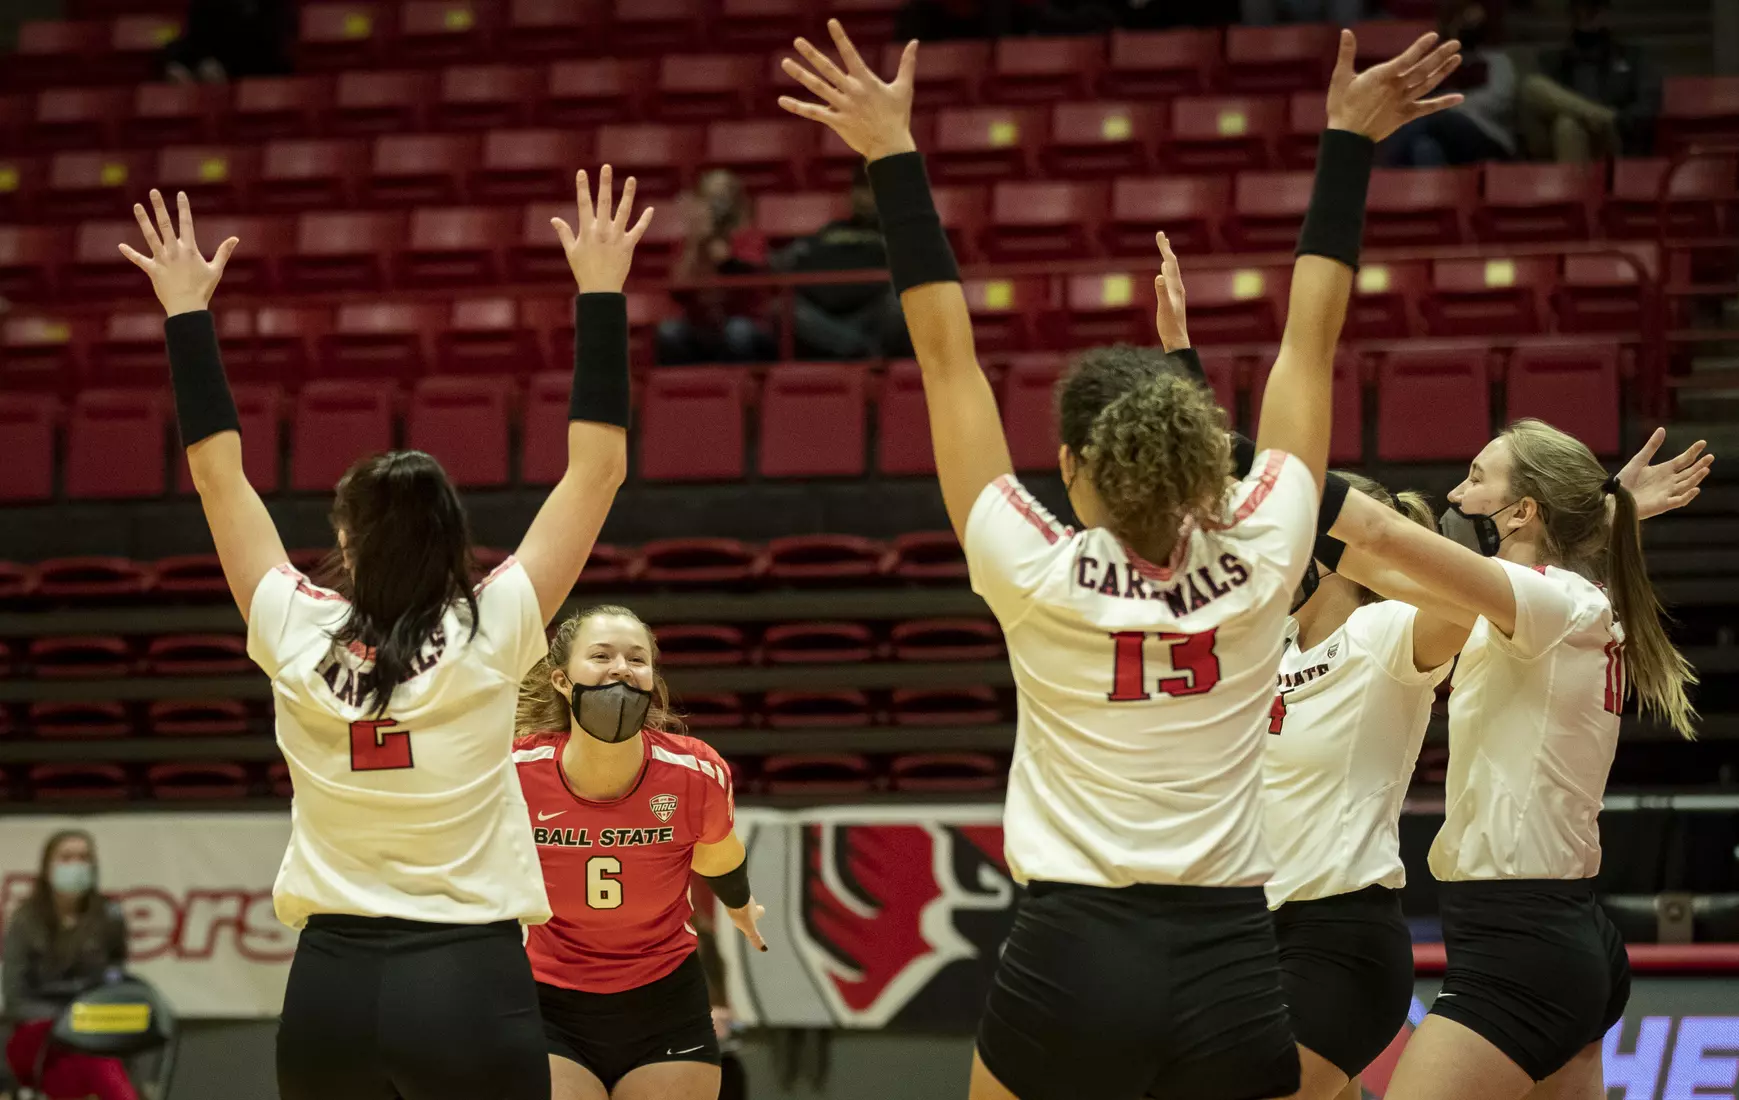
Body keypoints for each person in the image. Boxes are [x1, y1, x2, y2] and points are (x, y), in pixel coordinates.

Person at [777, 19, 1462, 1100]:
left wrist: (889, 157)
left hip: (1071, 949)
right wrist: (1346, 141)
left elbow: (946, 361)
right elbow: (1307, 343)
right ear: (1203, 465)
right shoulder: (1265, 551)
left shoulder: (1030, 563)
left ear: (1067, 468)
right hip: (1231, 954)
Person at [115, 166, 652, 1100]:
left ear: (345, 544)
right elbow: (598, 470)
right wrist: (600, 293)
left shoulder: (290, 620)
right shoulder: (497, 623)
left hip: (329, 987)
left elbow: (216, 477)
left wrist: (186, 313)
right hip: (467, 986)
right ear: (456, 540)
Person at [1325, 419, 1708, 1100]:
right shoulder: (1569, 596)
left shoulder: (1546, 601)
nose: (1454, 492)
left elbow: (1379, 540)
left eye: (1475, 479)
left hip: (1520, 949)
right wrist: (1614, 507)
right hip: (1556, 933)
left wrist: (1264, 478)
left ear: (1523, 510)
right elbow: (1377, 566)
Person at [512, 604, 766, 1100]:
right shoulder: (516, 770)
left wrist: (740, 906)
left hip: (665, 1005)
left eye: (637, 659)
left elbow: (719, 857)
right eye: (602, 655)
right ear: (562, 680)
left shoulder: (695, 773)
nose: (621, 669)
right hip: (546, 1003)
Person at [2, 831, 134, 1100]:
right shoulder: (26, 920)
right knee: (91, 1054)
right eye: (67, 857)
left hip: (91, 1026)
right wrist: (65, 1019)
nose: (76, 864)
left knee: (83, 1062)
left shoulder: (109, 916)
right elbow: (15, 998)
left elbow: (117, 976)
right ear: (48, 867)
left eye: (84, 858)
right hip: (36, 1031)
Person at [770, 165, 911, 360]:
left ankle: (858, 351)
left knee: (901, 301)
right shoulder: (829, 231)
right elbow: (782, 261)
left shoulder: (900, 235)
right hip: (824, 318)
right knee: (782, 308)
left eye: (872, 189)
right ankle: (860, 350)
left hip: (871, 316)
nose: (863, 197)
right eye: (859, 188)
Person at [658, 170, 777, 366]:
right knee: (668, 332)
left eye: (723, 196)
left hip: (743, 320)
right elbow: (677, 290)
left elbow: (749, 278)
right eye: (710, 197)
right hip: (700, 324)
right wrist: (695, 244)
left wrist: (725, 256)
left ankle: (741, 392)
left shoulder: (751, 237)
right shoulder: (688, 242)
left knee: (737, 333)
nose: (717, 204)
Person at [1520, 0, 1661, 162]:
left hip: (1613, 138)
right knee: (1532, 86)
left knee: (1567, 125)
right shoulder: (1552, 61)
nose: (1584, 15)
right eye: (1578, 9)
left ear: (1606, 13)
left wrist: (1620, 122)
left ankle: (1601, 121)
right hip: (1558, 140)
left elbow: (1648, 106)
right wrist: (1597, 117)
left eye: (1592, 9)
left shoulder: (1633, 58)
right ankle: (1601, 116)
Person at [1381, 3, 1516, 168]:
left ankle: (1379, 168)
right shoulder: (1441, 62)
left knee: (1426, 117)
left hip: (1486, 134)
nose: (1469, 21)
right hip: (1442, 135)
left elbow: (1500, 98)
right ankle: (1430, 192)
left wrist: (1451, 105)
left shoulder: (1497, 60)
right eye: (1462, 16)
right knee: (1423, 148)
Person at [162, 0, 294, 83]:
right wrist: (178, 64)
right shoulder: (206, 4)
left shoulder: (271, 6)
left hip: (260, 77)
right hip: (211, 72)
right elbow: (194, 39)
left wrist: (225, 70)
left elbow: (272, 47)